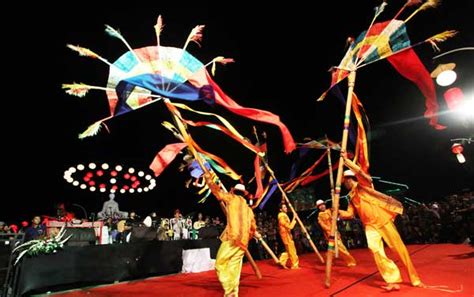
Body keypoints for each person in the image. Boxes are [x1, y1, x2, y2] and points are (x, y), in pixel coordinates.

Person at [338, 152, 423, 291]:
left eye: (344, 181)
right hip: (370, 226)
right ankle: (392, 280)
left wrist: (346, 161)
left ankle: (415, 279)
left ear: (349, 179)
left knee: (399, 250)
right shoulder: (351, 197)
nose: (344, 185)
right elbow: (349, 214)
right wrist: (338, 211)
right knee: (375, 250)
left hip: (383, 222)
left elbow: (364, 176)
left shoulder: (363, 186)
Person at [204, 174, 256, 297]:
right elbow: (253, 227)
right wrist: (248, 237)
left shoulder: (231, 198)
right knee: (234, 268)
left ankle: (229, 289)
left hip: (233, 239)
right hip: (243, 242)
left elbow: (217, 193)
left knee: (220, 264)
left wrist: (208, 178)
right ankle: (233, 293)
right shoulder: (248, 209)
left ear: (233, 191)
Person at [316, 199, 356, 267]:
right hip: (330, 235)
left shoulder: (330, 210)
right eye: (320, 206)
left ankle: (329, 260)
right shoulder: (320, 216)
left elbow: (337, 212)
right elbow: (323, 226)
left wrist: (336, 207)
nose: (322, 206)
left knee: (332, 249)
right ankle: (350, 261)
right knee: (340, 247)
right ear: (318, 208)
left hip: (335, 232)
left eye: (322, 204)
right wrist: (331, 231)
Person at [277, 203, 299, 269]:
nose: (286, 208)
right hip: (286, 235)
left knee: (289, 250)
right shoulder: (282, 216)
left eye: (286, 207)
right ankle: (294, 265)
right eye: (284, 207)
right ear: (280, 209)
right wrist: (294, 218)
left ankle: (282, 261)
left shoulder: (283, 215)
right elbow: (289, 227)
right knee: (292, 250)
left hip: (286, 234)